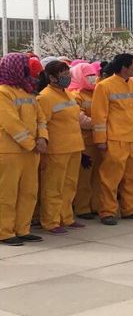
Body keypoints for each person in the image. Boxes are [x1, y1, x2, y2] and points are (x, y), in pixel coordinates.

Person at [91, 54, 133, 225]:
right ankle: (107, 212)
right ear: (124, 67)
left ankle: (130, 209)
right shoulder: (104, 86)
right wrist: (100, 140)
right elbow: (99, 115)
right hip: (115, 139)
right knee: (110, 179)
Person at [0, 53, 48, 246]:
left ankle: (22, 229)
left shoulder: (27, 92)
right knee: (8, 193)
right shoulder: (3, 92)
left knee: (29, 192)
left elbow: (41, 118)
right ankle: (4, 231)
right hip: (9, 151)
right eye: (25, 66)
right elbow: (11, 123)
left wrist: (42, 137)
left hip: (31, 151)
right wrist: (32, 143)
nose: (28, 69)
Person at [36, 61, 86, 234]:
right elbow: (41, 122)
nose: (67, 77)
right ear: (51, 77)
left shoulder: (69, 94)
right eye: (63, 74)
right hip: (57, 149)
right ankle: (51, 221)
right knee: (53, 186)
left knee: (70, 184)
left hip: (74, 146)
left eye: (68, 73)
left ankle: (66, 217)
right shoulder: (45, 97)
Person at [69, 62, 102, 219]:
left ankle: (95, 205)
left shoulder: (96, 92)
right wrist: (100, 123)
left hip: (98, 140)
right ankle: (82, 207)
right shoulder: (76, 95)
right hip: (84, 142)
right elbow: (80, 119)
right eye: (88, 76)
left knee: (97, 176)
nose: (92, 78)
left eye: (93, 75)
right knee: (84, 178)